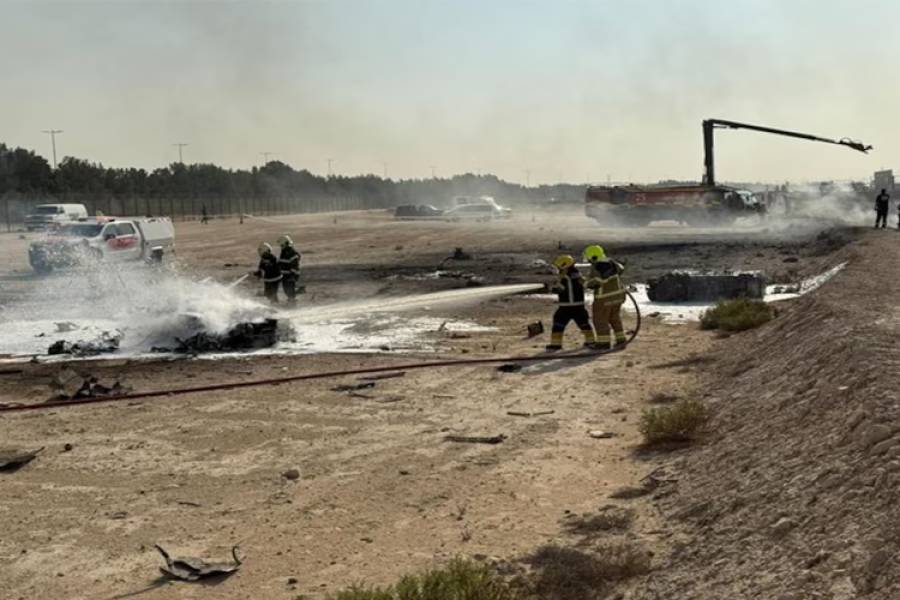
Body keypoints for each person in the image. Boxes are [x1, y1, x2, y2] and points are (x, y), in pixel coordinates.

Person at [546, 254, 596, 351]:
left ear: (565, 266)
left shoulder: (565, 278)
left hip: (566, 306)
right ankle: (591, 341)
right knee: (584, 324)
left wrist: (552, 286)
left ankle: (555, 344)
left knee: (558, 324)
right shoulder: (578, 275)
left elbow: (558, 289)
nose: (558, 270)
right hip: (579, 306)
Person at [583, 244, 627, 350]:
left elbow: (595, 282)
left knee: (600, 320)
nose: (589, 261)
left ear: (593, 257)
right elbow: (620, 270)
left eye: (589, 258)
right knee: (614, 318)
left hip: (604, 299)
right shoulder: (612, 263)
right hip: (618, 297)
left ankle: (603, 343)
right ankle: (621, 340)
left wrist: (585, 283)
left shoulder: (597, 267)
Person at [277, 234, 301, 305]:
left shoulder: (291, 253)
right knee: (286, 289)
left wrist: (293, 276)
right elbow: (281, 262)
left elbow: (295, 265)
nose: (281, 247)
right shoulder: (284, 252)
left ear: (286, 244)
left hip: (290, 275)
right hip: (285, 275)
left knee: (289, 289)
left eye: (282, 245)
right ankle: (291, 299)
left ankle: (292, 302)